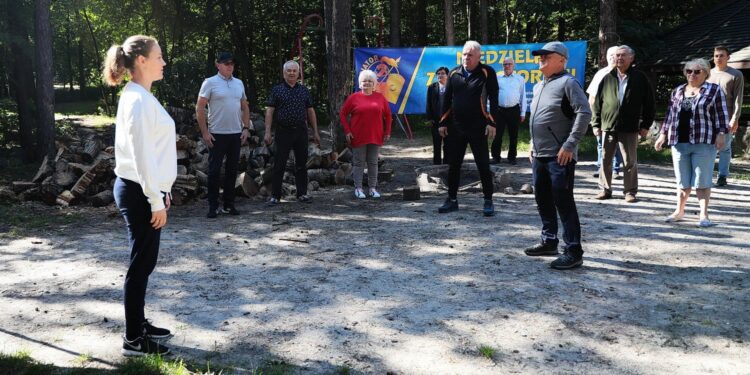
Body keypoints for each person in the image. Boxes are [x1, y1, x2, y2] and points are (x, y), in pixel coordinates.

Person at [104, 35, 175, 356]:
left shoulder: (141, 96)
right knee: (140, 264)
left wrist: (164, 190)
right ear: (142, 61)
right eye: (159, 56)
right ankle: (133, 339)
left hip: (145, 190)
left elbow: (156, 152)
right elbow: (142, 155)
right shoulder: (135, 100)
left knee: (145, 262)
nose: (163, 62)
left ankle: (139, 323)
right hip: (138, 192)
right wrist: (155, 199)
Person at [523, 41, 591, 270]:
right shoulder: (540, 85)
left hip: (559, 155)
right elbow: (536, 120)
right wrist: (532, 143)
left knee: (563, 201)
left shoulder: (568, 83)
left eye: (546, 55)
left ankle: (573, 250)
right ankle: (549, 241)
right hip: (539, 154)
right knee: (542, 198)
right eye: (540, 55)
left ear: (561, 60)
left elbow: (584, 112)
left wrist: (570, 145)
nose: (540, 58)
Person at [655, 58, 728, 227]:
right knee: (682, 181)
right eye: (689, 71)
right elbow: (669, 115)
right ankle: (679, 211)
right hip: (679, 142)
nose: (692, 75)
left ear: (706, 73)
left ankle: (704, 215)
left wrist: (721, 133)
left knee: (702, 181)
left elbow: (722, 114)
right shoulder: (678, 91)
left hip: (703, 140)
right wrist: (662, 134)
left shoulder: (714, 90)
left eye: (697, 71)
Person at [437, 40, 499, 216]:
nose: (466, 58)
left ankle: (488, 200)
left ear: (479, 57)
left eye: (470, 55)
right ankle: (452, 199)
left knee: (483, 164)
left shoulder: (487, 72)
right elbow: (447, 99)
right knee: (454, 165)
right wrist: (442, 122)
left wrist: (492, 122)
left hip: (478, 126)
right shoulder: (454, 73)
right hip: (456, 126)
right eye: (464, 54)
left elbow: (494, 98)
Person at [591, 45, 656, 203]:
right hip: (608, 125)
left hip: (630, 126)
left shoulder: (639, 78)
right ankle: (605, 189)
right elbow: (597, 102)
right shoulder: (607, 77)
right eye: (616, 55)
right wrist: (595, 123)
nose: (618, 58)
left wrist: (646, 125)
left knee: (629, 161)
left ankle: (630, 191)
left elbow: (649, 104)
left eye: (622, 55)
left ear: (631, 58)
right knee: (605, 159)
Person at [196, 52, 251, 218]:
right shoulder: (210, 82)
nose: (229, 66)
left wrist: (246, 128)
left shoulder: (239, 83)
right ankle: (213, 206)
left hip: (235, 134)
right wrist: (205, 132)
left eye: (232, 63)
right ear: (218, 64)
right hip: (216, 134)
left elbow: (245, 107)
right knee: (213, 171)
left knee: (231, 170)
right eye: (226, 63)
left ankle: (229, 204)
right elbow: (199, 108)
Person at [264, 60, 321, 205]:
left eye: (294, 71)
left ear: (298, 73)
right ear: (284, 73)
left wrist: (315, 131)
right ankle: (275, 196)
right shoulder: (277, 90)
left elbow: (310, 111)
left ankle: (302, 194)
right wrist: (267, 132)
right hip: (283, 131)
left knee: (301, 164)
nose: (291, 73)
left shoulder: (303, 90)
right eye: (288, 70)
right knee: (279, 164)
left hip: (301, 131)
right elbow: (270, 111)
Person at [339, 70, 392, 198]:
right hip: (358, 135)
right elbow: (342, 114)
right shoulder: (354, 98)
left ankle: (372, 188)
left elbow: (388, 115)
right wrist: (347, 130)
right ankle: (358, 188)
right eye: (364, 81)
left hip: (375, 134)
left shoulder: (380, 97)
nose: (367, 83)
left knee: (373, 162)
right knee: (359, 163)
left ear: (374, 84)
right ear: (360, 83)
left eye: (370, 81)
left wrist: (387, 131)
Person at [708, 46, 745, 187]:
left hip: (727, 117)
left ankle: (722, 176)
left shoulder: (736, 74)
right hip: (709, 117)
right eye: (716, 55)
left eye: (721, 55)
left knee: (724, 147)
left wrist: (735, 118)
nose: (718, 58)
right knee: (708, 147)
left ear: (728, 57)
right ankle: (706, 175)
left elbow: (738, 99)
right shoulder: (707, 73)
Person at [587, 46, 623, 178]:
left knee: (617, 144)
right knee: (600, 143)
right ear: (607, 57)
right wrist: (593, 118)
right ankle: (600, 167)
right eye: (611, 55)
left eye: (616, 55)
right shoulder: (601, 74)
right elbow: (592, 96)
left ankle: (615, 168)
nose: (613, 57)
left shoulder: (624, 74)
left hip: (618, 117)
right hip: (601, 116)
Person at [490, 57, 526, 165]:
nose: (507, 66)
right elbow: (492, 95)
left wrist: (523, 112)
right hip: (499, 110)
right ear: (502, 66)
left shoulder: (519, 79)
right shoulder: (497, 77)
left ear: (513, 66)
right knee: (497, 135)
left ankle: (512, 157)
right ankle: (496, 157)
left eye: (509, 64)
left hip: (514, 110)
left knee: (513, 135)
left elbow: (523, 96)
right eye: (505, 64)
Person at [426, 66, 449, 164]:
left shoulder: (451, 86)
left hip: (449, 122)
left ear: (447, 75)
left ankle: (447, 165)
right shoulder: (432, 87)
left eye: (442, 73)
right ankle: (436, 166)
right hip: (435, 121)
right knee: (436, 145)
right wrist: (430, 118)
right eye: (438, 74)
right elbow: (428, 103)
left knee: (448, 145)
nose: (440, 75)